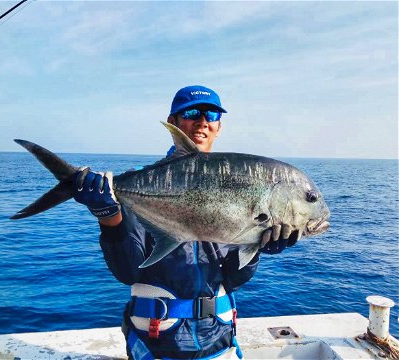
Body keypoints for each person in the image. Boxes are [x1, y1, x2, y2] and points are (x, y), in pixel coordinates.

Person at [74, 85, 298, 359]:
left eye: (211, 116)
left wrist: (256, 247)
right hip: (156, 345)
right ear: (174, 123)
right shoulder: (145, 182)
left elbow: (232, 278)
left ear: (219, 127)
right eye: (192, 112)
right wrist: (109, 218)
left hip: (219, 342)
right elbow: (127, 272)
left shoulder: (235, 187)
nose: (202, 121)